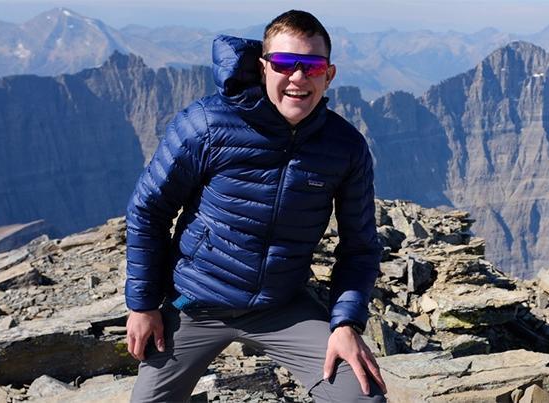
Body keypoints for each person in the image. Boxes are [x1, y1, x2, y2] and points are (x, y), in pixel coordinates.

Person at [124, 9, 386, 402]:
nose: (298, 77)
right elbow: (148, 210)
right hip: (194, 303)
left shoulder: (345, 147)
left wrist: (346, 324)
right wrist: (143, 306)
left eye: (313, 66)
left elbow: (360, 247)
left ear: (329, 75)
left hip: (282, 306)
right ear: (263, 68)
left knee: (362, 396)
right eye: (284, 63)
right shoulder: (206, 125)